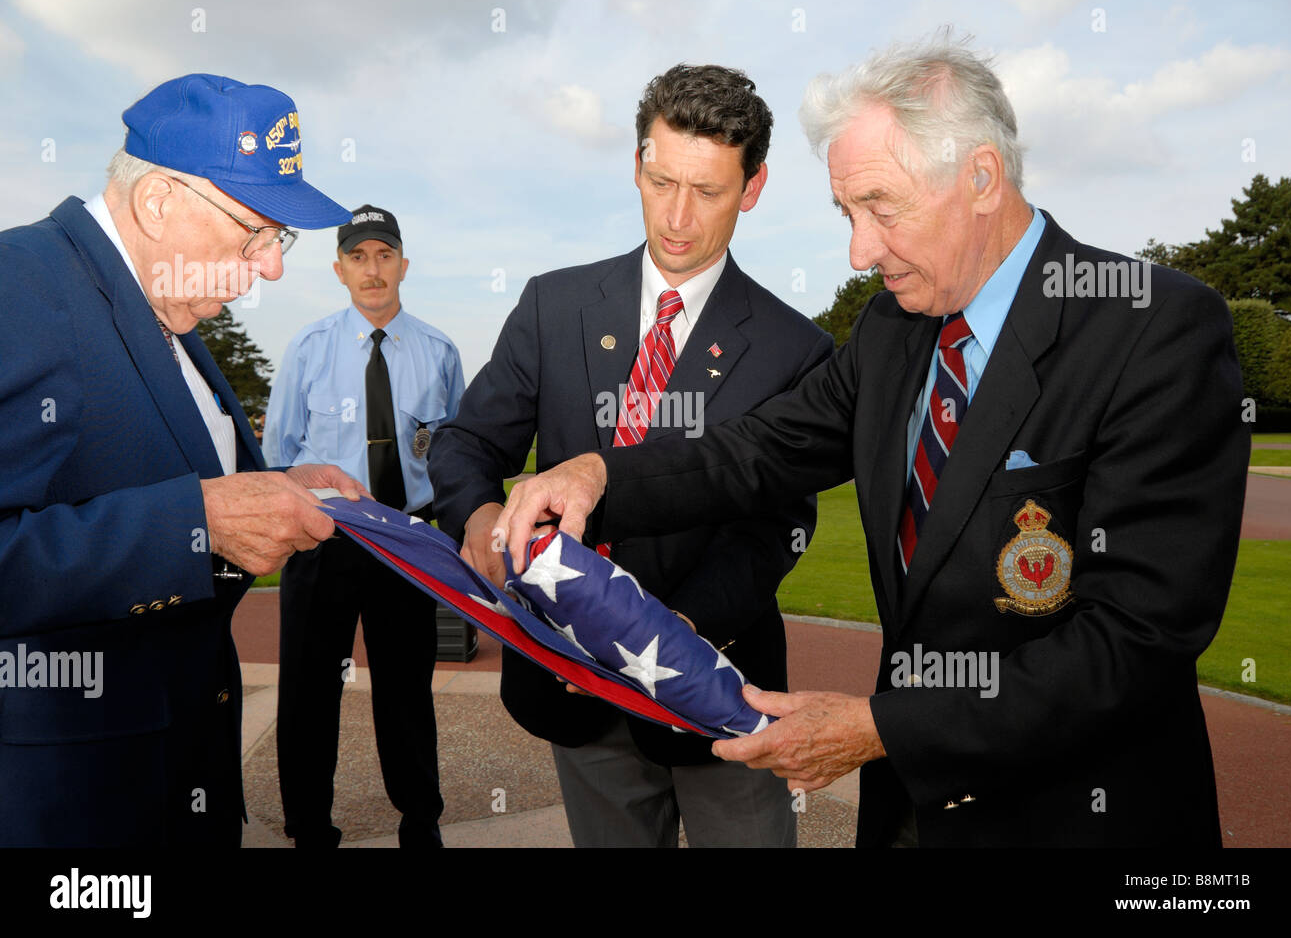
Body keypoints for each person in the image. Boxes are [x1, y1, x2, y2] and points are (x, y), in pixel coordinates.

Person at [496, 36, 1251, 847]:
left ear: (983, 178)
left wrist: (882, 728)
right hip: (911, 818)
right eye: (847, 214)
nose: (860, 251)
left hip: (1079, 816)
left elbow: (1135, 639)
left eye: (883, 208)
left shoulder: (1153, 328)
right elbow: (756, 451)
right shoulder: (893, 327)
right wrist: (596, 473)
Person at [429, 63, 832, 847]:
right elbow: (469, 441)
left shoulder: (799, 349)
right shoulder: (554, 303)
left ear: (753, 187)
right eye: (660, 180)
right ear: (637, 165)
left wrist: (669, 636)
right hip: (571, 684)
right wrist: (479, 516)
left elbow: (777, 530)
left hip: (718, 689)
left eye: (708, 191)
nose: (677, 217)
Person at [0, 73, 364, 846]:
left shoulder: (168, 310)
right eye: (253, 233)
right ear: (158, 200)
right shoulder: (21, 286)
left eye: (279, 240)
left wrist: (263, 488)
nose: (270, 269)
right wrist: (194, 524)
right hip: (72, 809)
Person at [263, 206, 464, 848]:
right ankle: (310, 828)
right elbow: (276, 454)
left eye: (383, 256)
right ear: (338, 270)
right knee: (308, 688)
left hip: (407, 541)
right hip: (326, 536)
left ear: (403, 264)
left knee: (407, 691)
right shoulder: (310, 347)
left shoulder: (439, 352)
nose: (371, 270)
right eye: (357, 257)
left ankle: (419, 820)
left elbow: (458, 455)